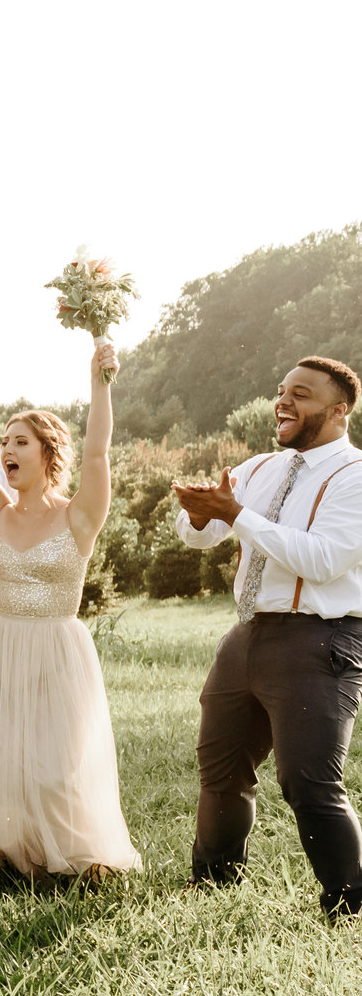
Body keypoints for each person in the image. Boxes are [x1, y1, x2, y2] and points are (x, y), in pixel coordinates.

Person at [0, 342, 139, 877]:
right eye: (6, 440)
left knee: (54, 767)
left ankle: (63, 852)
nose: (7, 450)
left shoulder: (80, 516)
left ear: (46, 453)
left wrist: (100, 382)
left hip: (56, 647)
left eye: (20, 442)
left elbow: (98, 453)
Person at [175, 354, 362, 914]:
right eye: (281, 390)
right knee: (221, 769)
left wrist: (236, 516)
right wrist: (201, 515)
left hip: (320, 641)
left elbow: (323, 560)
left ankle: (350, 903)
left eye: (300, 394)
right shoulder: (259, 468)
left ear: (339, 409)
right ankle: (212, 883)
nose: (283, 401)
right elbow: (199, 537)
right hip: (247, 634)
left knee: (309, 783)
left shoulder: (355, 476)